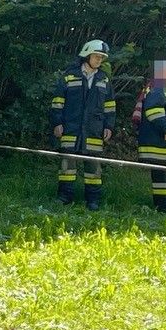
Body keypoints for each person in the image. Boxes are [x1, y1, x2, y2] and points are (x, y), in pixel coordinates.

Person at [51, 39, 116, 210]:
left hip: (95, 130)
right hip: (70, 128)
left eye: (101, 58)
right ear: (86, 55)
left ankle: (93, 201)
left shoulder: (104, 79)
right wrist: (57, 123)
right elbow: (58, 102)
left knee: (93, 170)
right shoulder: (69, 76)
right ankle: (64, 198)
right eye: (96, 56)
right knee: (67, 168)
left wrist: (109, 126)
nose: (99, 60)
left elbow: (110, 106)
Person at [136, 58, 166, 212]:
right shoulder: (159, 88)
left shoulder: (164, 89)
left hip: (163, 142)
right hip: (160, 141)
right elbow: (153, 110)